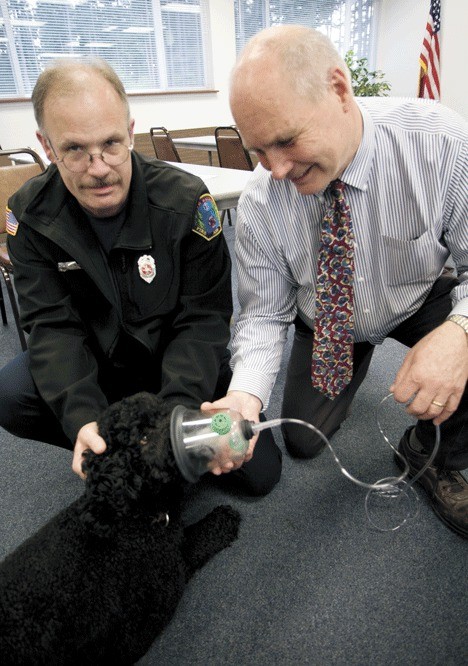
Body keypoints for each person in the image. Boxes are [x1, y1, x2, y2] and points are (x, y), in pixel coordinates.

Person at [202, 25, 468, 537]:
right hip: (326, 319)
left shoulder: (441, 144)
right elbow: (263, 315)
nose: (276, 169)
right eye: (259, 151)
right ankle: (355, 365)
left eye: (285, 140)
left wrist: (458, 334)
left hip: (416, 297)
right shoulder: (262, 200)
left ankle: (435, 454)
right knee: (305, 440)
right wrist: (243, 398)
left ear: (339, 91)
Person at [0, 57, 282, 496]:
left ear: (131, 132)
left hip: (181, 363)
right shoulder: (29, 215)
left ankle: (149, 440)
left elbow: (202, 321)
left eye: (112, 144)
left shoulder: (187, 203)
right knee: (10, 394)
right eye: (74, 149)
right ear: (47, 145)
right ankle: (115, 444)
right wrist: (83, 419)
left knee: (259, 469)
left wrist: (174, 421)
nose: (98, 168)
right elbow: (52, 328)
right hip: (103, 366)